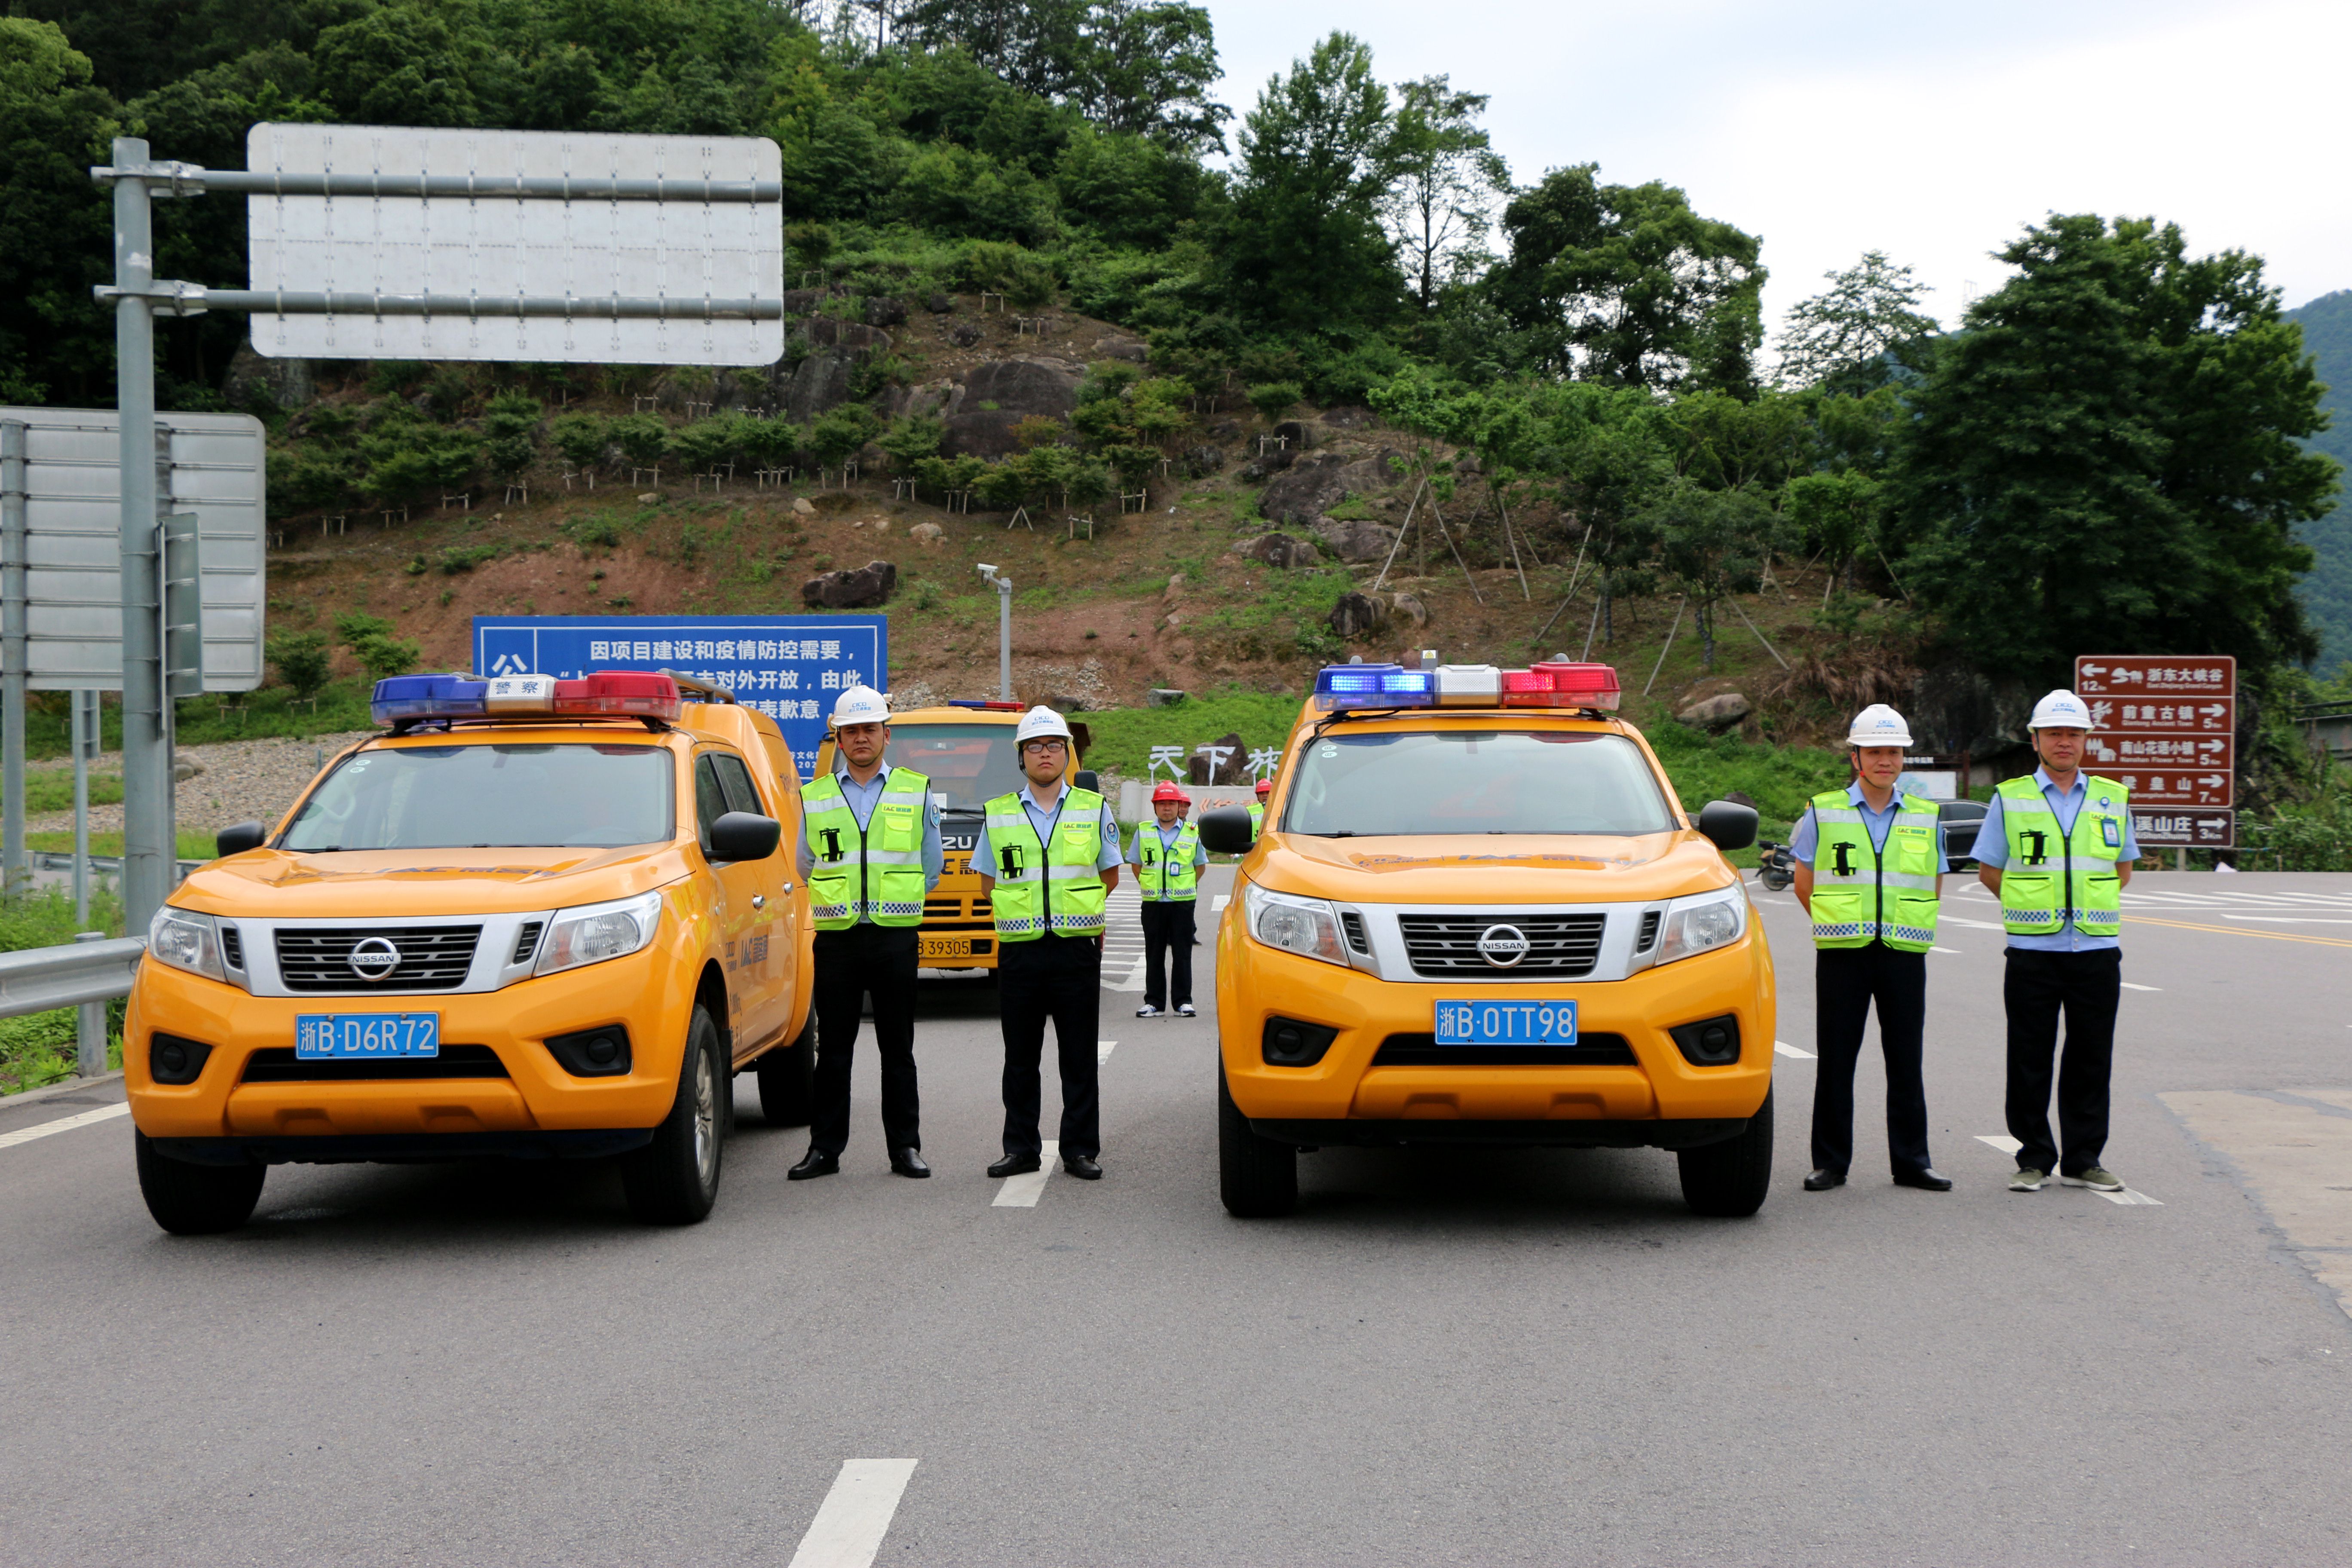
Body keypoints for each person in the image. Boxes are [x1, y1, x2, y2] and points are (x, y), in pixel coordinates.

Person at [1969, 689, 2138, 1194]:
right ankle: (2035, 1157)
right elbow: (1989, 872)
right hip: (2033, 953)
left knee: (2091, 1057)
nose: (2065, 743)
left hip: (2095, 951)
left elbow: (2121, 871)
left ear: (2086, 740)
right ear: (2036, 739)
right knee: (2029, 1057)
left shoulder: (2113, 797)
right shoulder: (2011, 797)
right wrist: (2035, 909)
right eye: (2056, 734)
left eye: (2074, 734)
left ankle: (2085, 1159)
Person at [1790, 704, 1953, 1194]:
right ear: (1856, 757)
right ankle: (1831, 1163)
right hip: (1844, 955)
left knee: (1906, 1060)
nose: (1887, 760)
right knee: (1837, 1060)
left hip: (1904, 953)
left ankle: (1912, 1163)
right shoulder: (1824, 811)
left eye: (1895, 752)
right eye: (1876, 751)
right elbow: (1804, 883)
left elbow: (1934, 882)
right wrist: (1839, 925)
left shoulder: (1927, 816)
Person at [787, 685, 943, 1182]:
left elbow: (932, 865)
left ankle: (905, 1149)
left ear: (885, 735)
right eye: (850, 731)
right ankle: (825, 1150)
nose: (859, 739)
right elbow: (805, 864)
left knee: (898, 1048)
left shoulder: (914, 790)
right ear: (837, 737)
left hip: (894, 937)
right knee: (833, 1049)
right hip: (837, 940)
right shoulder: (816, 796)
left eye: (868, 729)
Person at [971, 705, 1123, 1182]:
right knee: (1020, 1058)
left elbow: (1110, 874)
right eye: (1035, 747)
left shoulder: (1093, 808)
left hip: (1076, 949)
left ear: (1067, 754)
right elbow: (986, 882)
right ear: (1021, 757)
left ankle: (1080, 1150)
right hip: (1020, 951)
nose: (1044, 754)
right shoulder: (998, 813)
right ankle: (1021, 1149)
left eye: (1054, 746)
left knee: (1078, 1057)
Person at [1129, 781, 1206, 1018]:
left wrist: (1186, 886)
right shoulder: (1143, 831)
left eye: (1171, 803)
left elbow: (1200, 866)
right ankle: (1154, 1002)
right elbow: (1136, 864)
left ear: (1179, 806)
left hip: (1182, 904)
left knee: (1182, 953)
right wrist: (1148, 885)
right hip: (1153, 904)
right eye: (1162, 804)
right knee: (1154, 953)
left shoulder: (1192, 832)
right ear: (1155, 807)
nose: (1167, 808)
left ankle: (1183, 1002)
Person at [1248, 778, 1271, 842]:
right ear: (1257, 796)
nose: (1265, 796)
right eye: (1262, 793)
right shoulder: (1249, 811)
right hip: (1253, 848)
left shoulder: (1282, 810)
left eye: (1267, 793)